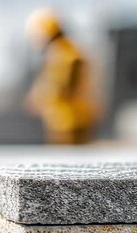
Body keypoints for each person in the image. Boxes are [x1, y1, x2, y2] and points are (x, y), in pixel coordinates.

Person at [25, 8, 99, 145]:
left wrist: (39, 97)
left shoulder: (64, 55)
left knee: (70, 162)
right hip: (68, 119)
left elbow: (61, 85)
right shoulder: (65, 51)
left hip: (70, 121)